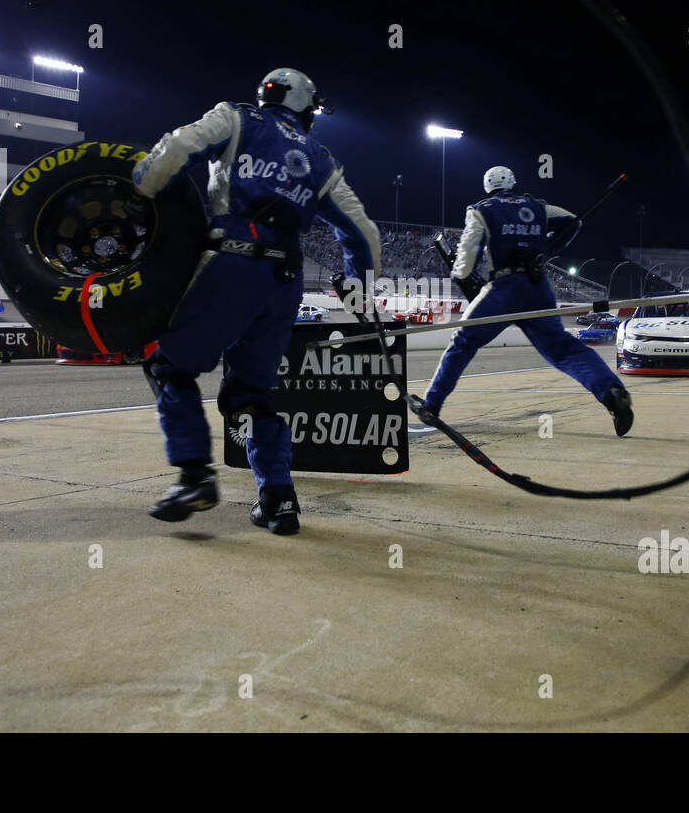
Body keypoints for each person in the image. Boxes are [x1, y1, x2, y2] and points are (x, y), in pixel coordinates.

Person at [131, 67, 381, 535]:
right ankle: (279, 500)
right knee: (254, 397)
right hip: (284, 279)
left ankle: (194, 476)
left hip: (232, 263)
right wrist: (359, 286)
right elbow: (363, 231)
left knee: (170, 367)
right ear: (307, 107)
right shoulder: (322, 159)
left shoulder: (236, 118)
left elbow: (179, 147)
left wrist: (143, 183)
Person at [411, 166, 634, 435]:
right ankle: (611, 391)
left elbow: (467, 257)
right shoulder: (537, 206)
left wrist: (460, 274)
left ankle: (432, 405)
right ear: (513, 183)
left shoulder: (480, 209)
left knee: (462, 343)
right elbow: (574, 221)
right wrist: (549, 246)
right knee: (563, 348)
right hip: (537, 287)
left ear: (487, 185)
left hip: (503, 289)